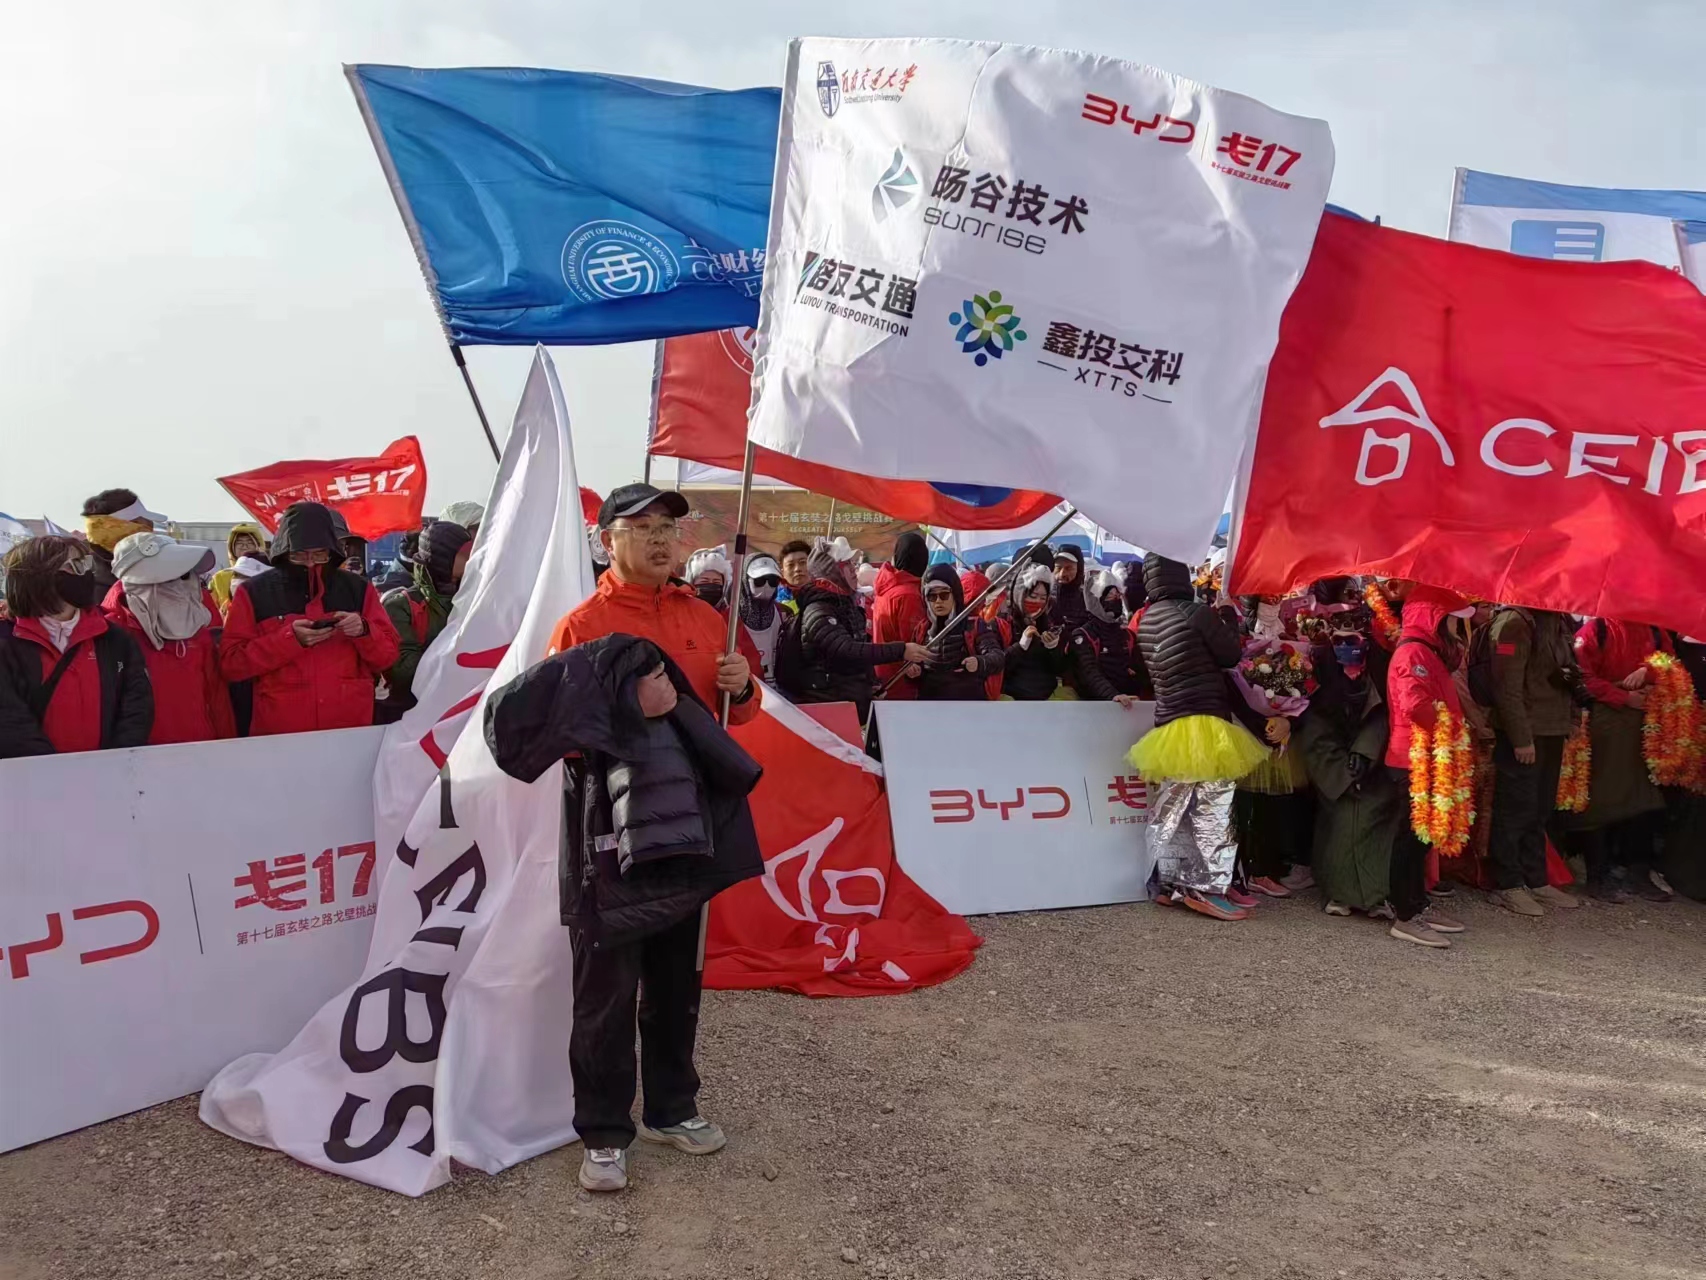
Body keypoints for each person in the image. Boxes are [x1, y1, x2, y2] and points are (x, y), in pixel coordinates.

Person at [535, 482, 762, 1194]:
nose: (662, 539)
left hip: (694, 827)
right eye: (643, 527)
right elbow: (556, 733)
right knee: (605, 990)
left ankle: (672, 1108)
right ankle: (604, 1132)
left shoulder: (705, 616)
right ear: (608, 541)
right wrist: (630, 708)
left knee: (676, 979)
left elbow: (740, 718)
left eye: (670, 527)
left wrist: (743, 686)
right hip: (610, 834)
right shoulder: (582, 624)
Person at [1129, 553, 1272, 921]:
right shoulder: (1195, 612)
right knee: (1211, 809)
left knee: (1172, 811)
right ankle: (1205, 888)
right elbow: (1230, 654)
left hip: (1169, 727)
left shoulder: (1147, 619)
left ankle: (1167, 884)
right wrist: (1226, 616)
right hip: (1205, 722)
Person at [219, 502, 400, 736]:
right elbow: (231, 664)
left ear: (332, 551)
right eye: (299, 555)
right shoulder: (254, 592)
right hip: (281, 732)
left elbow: (388, 657)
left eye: (319, 554)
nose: (311, 562)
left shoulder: (359, 589)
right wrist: (289, 639)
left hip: (350, 727)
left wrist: (364, 630)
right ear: (284, 551)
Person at [0, 535, 154, 757]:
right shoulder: (7, 642)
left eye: (86, 564)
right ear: (39, 577)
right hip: (31, 774)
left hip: (107, 771)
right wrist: (51, 767)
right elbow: (9, 720)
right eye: (74, 566)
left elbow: (137, 707)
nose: (86, 573)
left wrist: (115, 760)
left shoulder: (114, 638)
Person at [1383, 585, 1475, 947]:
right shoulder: (1413, 653)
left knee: (1422, 839)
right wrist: (1451, 730)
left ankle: (1417, 903)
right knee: (1411, 838)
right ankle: (1405, 915)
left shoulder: (1428, 651)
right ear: (1434, 619)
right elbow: (1415, 705)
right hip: (1412, 758)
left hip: (1429, 755)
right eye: (1452, 620)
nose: (1456, 628)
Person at [1295, 623, 1401, 917]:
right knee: (1343, 819)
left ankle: (1376, 894)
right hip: (1335, 767)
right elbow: (1317, 729)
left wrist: (1364, 754)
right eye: (1341, 641)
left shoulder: (1380, 672)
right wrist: (1342, 770)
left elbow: (1384, 716)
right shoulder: (1322, 676)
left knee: (1377, 815)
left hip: (1375, 766)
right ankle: (1340, 894)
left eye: (1354, 640)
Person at [1485, 607, 1582, 915]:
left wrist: (1573, 718)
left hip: (1552, 728)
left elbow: (1570, 673)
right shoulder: (1514, 622)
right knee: (1514, 809)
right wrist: (1520, 737)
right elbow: (1507, 686)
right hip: (1526, 731)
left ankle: (1536, 879)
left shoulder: (1559, 620)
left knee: (1539, 810)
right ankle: (1507, 884)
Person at [1569, 617, 1673, 902]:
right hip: (1609, 720)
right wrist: (1623, 697)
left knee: (1646, 799)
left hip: (1648, 722)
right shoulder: (1596, 629)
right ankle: (1597, 875)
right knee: (1602, 797)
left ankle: (1638, 873)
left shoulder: (1656, 628)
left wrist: (1647, 670)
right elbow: (1581, 676)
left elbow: (1670, 664)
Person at [103, 532, 233, 745]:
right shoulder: (110, 635)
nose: (183, 584)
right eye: (171, 575)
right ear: (140, 579)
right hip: (139, 757)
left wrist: (226, 746)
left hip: (201, 749)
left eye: (185, 574)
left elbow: (217, 697)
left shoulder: (197, 628)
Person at [790, 537, 931, 721]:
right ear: (832, 572)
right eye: (846, 565)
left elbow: (858, 656)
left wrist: (869, 685)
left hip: (848, 707)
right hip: (827, 711)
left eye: (853, 563)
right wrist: (902, 650)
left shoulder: (847, 606)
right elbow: (847, 649)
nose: (854, 569)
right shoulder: (819, 610)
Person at [377, 519, 473, 722]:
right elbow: (402, 671)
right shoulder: (401, 605)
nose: (471, 558)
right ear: (442, 558)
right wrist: (457, 666)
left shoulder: (473, 598)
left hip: (462, 711)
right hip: (411, 715)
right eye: (464, 554)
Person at [910, 564, 1002, 701]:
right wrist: (913, 670)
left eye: (944, 595)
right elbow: (913, 665)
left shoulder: (974, 625)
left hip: (967, 704)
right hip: (930, 703)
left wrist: (979, 662)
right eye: (932, 596)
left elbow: (997, 657)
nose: (938, 601)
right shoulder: (922, 629)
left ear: (955, 594)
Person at [1069, 568, 1151, 705]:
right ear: (1096, 600)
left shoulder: (1127, 636)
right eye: (1109, 597)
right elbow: (1089, 672)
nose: (1115, 600)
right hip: (1093, 707)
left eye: (1117, 596)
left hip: (1129, 705)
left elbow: (1141, 670)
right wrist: (1113, 695)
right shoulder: (1083, 635)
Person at [871, 532, 930, 699]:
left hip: (884, 673)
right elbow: (913, 640)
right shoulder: (908, 594)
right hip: (903, 679)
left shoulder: (886, 588)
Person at [998, 564, 1069, 701]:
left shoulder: (1048, 623)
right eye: (1033, 596)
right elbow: (998, 666)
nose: (1038, 602)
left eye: (1043, 598)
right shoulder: (1003, 623)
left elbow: (1060, 668)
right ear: (1020, 595)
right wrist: (1020, 646)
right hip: (1012, 698)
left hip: (1047, 697)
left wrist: (1053, 648)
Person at [81, 488, 168, 594]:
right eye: (144, 522)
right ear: (127, 527)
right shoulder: (105, 585)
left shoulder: (87, 568)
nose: (151, 526)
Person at [736, 553, 785, 685]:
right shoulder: (729, 618)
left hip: (780, 691)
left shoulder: (785, 613)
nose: (766, 586)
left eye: (773, 581)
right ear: (745, 579)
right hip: (746, 689)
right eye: (759, 581)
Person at [209, 524, 268, 614]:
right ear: (232, 548)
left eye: (250, 542)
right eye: (239, 543)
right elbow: (211, 610)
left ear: (259, 546)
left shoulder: (268, 574)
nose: (245, 546)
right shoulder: (219, 578)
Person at [1051, 544, 1089, 631]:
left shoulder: (1088, 598)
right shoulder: (1044, 594)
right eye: (1058, 568)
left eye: (1068, 568)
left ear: (1078, 569)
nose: (1062, 574)